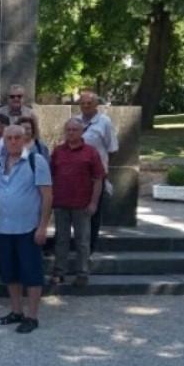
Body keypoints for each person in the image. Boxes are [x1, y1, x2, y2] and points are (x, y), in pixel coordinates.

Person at [0, 125, 52, 334]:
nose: (13, 141)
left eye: (17, 138)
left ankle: (32, 316)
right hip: (5, 228)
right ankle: (16, 311)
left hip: (28, 229)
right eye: (9, 138)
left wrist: (43, 226)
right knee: (10, 273)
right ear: (3, 141)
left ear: (24, 140)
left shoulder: (36, 161)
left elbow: (47, 196)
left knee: (31, 274)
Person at [49, 119, 106, 287]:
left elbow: (98, 178)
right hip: (61, 203)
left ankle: (82, 272)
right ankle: (59, 271)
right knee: (61, 239)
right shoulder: (58, 151)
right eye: (68, 130)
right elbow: (51, 175)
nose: (71, 132)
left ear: (81, 132)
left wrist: (94, 202)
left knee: (82, 240)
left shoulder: (91, 152)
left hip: (82, 204)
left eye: (75, 129)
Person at [74, 90, 119, 253]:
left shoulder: (104, 122)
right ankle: (79, 244)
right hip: (77, 175)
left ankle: (90, 248)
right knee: (77, 212)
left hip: (95, 176)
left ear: (96, 105)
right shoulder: (74, 121)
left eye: (89, 103)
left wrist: (101, 168)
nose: (86, 106)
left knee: (93, 212)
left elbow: (112, 149)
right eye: (83, 103)